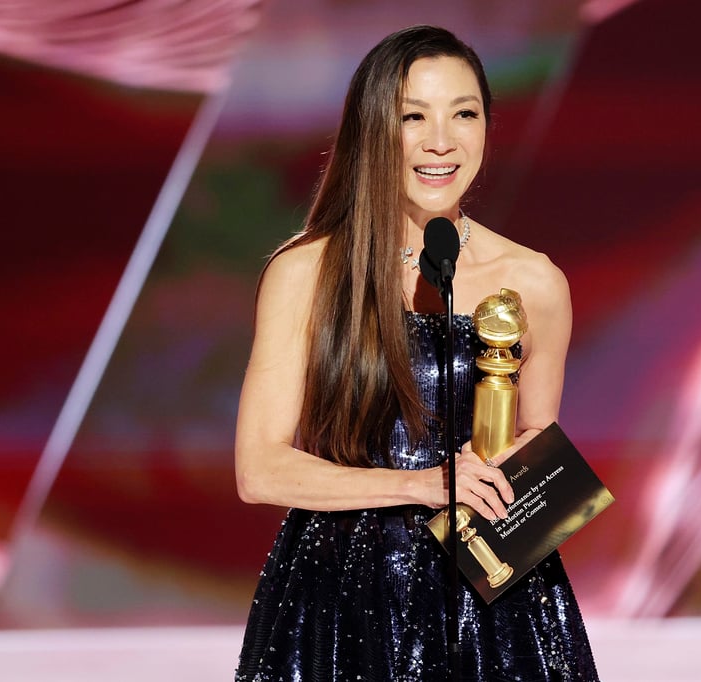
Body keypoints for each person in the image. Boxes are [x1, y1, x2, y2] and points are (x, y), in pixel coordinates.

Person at [234, 25, 599, 681]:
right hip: (344, 602)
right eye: (413, 116)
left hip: (493, 606)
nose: (442, 140)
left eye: (464, 113)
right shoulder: (308, 273)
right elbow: (259, 469)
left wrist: (522, 479)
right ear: (375, 130)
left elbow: (537, 443)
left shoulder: (537, 281)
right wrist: (420, 486)